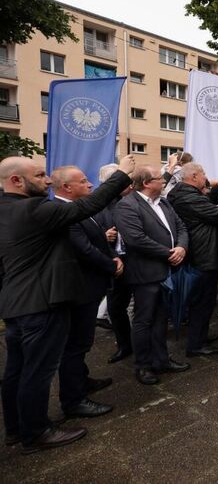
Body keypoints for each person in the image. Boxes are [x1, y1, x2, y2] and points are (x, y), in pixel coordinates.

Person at [0, 154, 135, 455]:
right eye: (38, 175)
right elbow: (87, 206)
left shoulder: (6, 209)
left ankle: (15, 428)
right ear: (16, 181)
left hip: (16, 302)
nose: (46, 181)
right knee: (37, 371)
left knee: (17, 370)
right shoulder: (35, 209)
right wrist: (122, 175)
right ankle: (36, 432)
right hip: (42, 304)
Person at [50, 166, 123, 420]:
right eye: (83, 181)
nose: (90, 185)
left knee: (82, 343)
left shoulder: (81, 209)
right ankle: (73, 400)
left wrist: (112, 256)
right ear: (66, 188)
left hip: (90, 285)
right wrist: (111, 265)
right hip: (79, 289)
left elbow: (100, 241)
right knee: (75, 345)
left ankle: (81, 380)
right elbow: (84, 249)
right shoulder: (62, 213)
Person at [114, 165, 190, 386]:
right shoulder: (126, 206)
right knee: (144, 321)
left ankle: (162, 359)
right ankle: (143, 366)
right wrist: (169, 254)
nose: (164, 181)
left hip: (166, 271)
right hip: (145, 274)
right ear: (146, 183)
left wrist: (182, 248)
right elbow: (136, 239)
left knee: (160, 320)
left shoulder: (164, 202)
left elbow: (181, 227)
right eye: (159, 178)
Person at [167, 162, 218, 357]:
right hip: (203, 256)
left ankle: (201, 336)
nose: (206, 176)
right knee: (203, 303)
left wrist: (217, 190)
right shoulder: (188, 197)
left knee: (203, 302)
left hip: (200, 253)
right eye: (203, 173)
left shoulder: (186, 194)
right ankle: (196, 344)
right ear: (194, 177)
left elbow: (205, 206)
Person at [95, 163, 135, 364]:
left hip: (136, 261)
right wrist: (103, 236)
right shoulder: (96, 205)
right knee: (116, 307)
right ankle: (124, 345)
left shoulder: (131, 200)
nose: (127, 182)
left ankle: (145, 341)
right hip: (114, 262)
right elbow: (83, 236)